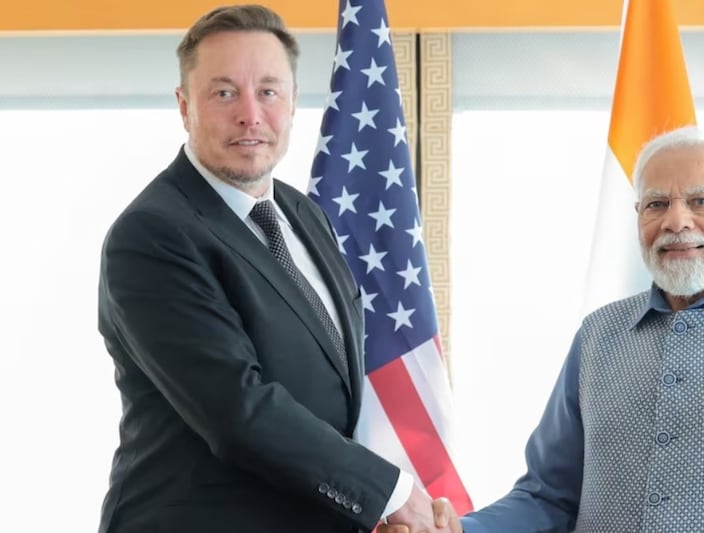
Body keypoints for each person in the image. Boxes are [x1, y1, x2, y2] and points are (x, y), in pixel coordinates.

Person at [381, 125, 704, 532]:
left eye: (701, 201)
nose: (676, 221)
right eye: (656, 204)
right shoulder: (597, 338)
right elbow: (549, 497)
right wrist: (463, 530)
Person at [96, 5, 453, 533]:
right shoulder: (152, 235)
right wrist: (387, 494)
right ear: (184, 106)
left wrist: (366, 507)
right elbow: (238, 410)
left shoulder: (304, 214)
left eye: (268, 91)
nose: (250, 114)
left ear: (292, 102)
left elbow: (332, 392)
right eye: (224, 93)